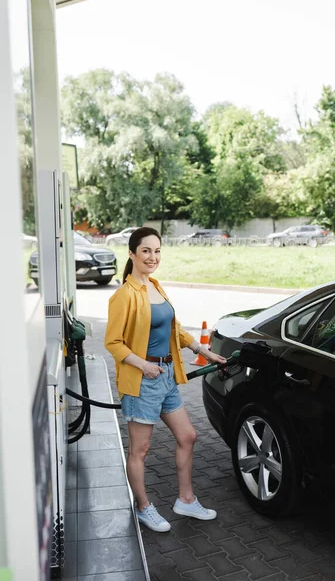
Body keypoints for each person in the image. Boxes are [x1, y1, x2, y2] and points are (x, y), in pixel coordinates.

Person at [104, 227, 226, 532]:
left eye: (157, 251)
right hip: (142, 380)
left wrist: (203, 350)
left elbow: (174, 329)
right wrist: (142, 364)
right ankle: (144, 507)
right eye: (146, 251)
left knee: (187, 436)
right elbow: (114, 343)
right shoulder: (124, 295)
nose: (152, 257)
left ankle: (185, 500)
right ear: (131, 253)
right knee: (139, 451)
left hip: (166, 376)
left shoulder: (156, 286)